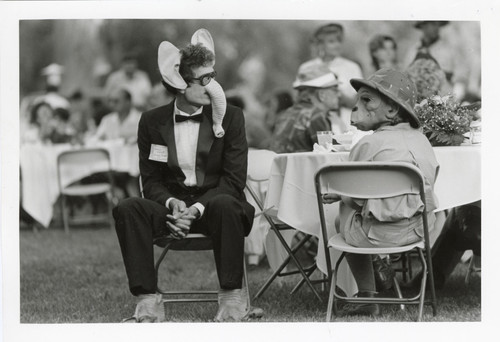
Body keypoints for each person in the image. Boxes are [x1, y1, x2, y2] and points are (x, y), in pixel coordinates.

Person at [112, 29, 262, 323]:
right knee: (128, 208)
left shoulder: (231, 116)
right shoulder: (152, 121)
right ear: (179, 83)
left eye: (214, 76)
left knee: (225, 204)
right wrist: (172, 205)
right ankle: (148, 299)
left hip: (218, 207)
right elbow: (151, 180)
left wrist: (194, 210)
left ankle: (232, 298)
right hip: (172, 209)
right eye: (204, 80)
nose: (214, 87)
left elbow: (233, 181)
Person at [322, 68, 439, 316]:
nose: (356, 106)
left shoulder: (367, 144)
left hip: (376, 236)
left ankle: (367, 295)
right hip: (421, 231)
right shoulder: (423, 141)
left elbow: (354, 198)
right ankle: (381, 267)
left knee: (341, 212)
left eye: (366, 99)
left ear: (392, 110)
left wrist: (342, 197)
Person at [298, 23, 363, 130]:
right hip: (314, 123)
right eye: (331, 41)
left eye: (339, 41)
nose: (337, 45)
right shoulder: (307, 67)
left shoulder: (352, 67)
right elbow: (300, 100)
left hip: (345, 123)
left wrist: (335, 94)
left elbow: (359, 103)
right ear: (321, 44)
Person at [270, 63, 341, 153]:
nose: (339, 94)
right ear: (321, 95)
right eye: (335, 90)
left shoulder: (286, 114)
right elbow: (331, 153)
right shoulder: (316, 116)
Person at [404, 21, 467, 101]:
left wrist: (456, 98)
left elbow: (461, 76)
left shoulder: (450, 50)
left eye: (438, 25)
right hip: (417, 101)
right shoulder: (413, 51)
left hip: (444, 101)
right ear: (423, 26)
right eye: (432, 24)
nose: (436, 28)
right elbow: (405, 77)